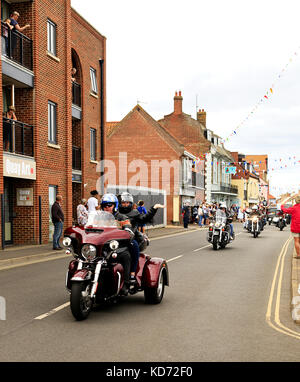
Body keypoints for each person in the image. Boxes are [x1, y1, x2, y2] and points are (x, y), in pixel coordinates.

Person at [118, 192, 165, 281]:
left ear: (131, 203)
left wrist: (154, 208)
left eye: (127, 202)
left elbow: (145, 218)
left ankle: (132, 273)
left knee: (134, 247)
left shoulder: (134, 213)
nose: (125, 204)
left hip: (130, 238)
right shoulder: (116, 213)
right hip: (115, 239)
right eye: (123, 202)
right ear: (120, 203)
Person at [99, 193, 134, 294]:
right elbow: (89, 227)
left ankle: (126, 284)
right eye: (104, 205)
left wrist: (127, 231)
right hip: (102, 247)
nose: (107, 207)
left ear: (115, 206)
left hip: (117, 247)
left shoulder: (122, 217)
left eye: (109, 205)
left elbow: (128, 230)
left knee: (126, 256)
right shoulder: (98, 218)